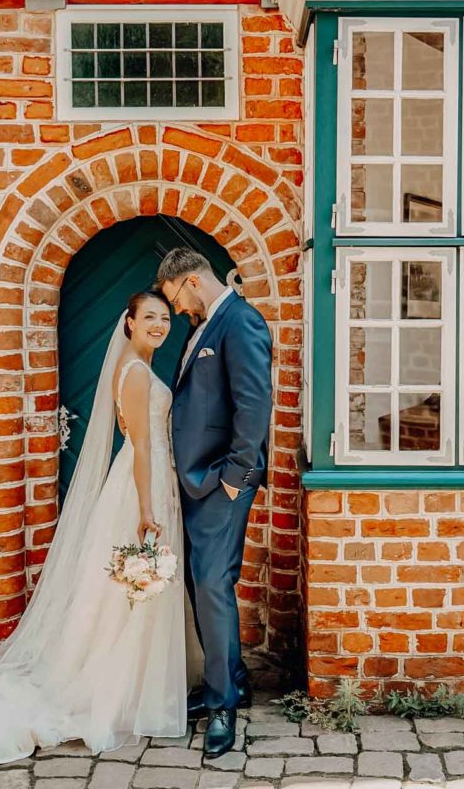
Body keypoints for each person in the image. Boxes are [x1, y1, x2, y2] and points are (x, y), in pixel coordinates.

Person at [0, 291, 199, 769]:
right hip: (141, 486)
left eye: (165, 318)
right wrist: (148, 510)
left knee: (133, 591)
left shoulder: (138, 367)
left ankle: (144, 681)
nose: (159, 325)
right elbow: (143, 446)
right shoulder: (133, 373)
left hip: (150, 481)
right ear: (128, 323)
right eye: (149, 317)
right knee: (132, 588)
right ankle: (122, 688)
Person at [157, 247, 274, 759]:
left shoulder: (240, 321)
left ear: (191, 282)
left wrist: (235, 477)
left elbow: (255, 404)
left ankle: (224, 705)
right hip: (195, 480)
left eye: (174, 299)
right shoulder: (202, 324)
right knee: (200, 584)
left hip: (221, 480)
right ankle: (233, 681)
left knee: (212, 584)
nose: (177, 311)